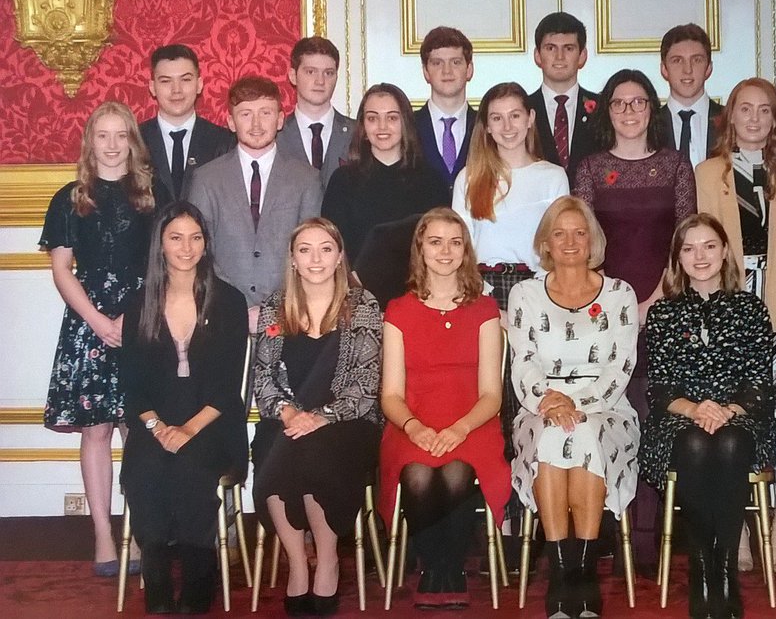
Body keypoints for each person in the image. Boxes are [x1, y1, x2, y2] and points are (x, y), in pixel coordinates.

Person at [574, 68, 696, 571]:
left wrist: (653, 301)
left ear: (652, 108)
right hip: (602, 311)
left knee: (654, 414)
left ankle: (649, 537)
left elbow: (686, 239)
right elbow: (581, 244)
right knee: (608, 413)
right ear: (607, 111)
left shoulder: (675, 165)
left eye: (638, 101)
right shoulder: (590, 168)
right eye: (619, 102)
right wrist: (620, 306)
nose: (629, 111)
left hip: (665, 305)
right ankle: (609, 528)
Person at [695, 76, 776, 571]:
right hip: (727, 302)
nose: (753, 118)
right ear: (730, 117)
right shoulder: (708, 173)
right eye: (744, 109)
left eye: (764, 110)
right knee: (733, 415)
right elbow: (698, 245)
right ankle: (740, 525)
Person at [39, 101, 167, 577]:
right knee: (95, 431)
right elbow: (61, 270)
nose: (112, 145)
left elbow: (165, 265)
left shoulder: (152, 196)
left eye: (121, 136)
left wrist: (132, 319)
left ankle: (138, 532)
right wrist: (96, 320)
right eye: (103, 136)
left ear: (133, 142)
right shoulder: (70, 198)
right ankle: (102, 535)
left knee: (138, 427)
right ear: (90, 143)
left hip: (142, 319)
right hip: (87, 321)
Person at [507, 196, 641, 618]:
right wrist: (549, 403)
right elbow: (523, 361)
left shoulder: (619, 294)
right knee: (554, 435)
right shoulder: (525, 294)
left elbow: (621, 365)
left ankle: (583, 574)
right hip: (540, 406)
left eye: (579, 233)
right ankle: (563, 574)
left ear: (593, 240)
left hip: (606, 406)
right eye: (559, 233)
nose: (569, 242)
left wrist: (578, 404)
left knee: (583, 432)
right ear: (545, 242)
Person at [642, 214, 775, 619]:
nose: (700, 256)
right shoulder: (663, 313)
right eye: (689, 248)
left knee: (730, 440)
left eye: (709, 246)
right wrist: (695, 409)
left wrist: (728, 410)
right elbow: (659, 389)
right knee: (696, 442)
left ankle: (726, 568)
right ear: (677, 258)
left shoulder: (751, 308)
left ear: (725, 251)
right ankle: (702, 567)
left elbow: (759, 383)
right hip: (678, 418)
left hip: (740, 415)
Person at [120, 202, 249, 614]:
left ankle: (198, 582)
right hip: (154, 423)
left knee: (191, 471)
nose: (187, 248)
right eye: (176, 238)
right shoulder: (139, 303)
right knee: (144, 472)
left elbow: (228, 388)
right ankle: (157, 584)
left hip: (212, 423)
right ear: (160, 244)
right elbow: (132, 387)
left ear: (205, 244)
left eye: (195, 238)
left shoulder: (228, 301)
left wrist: (189, 429)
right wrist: (157, 428)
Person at [378, 208, 509, 609]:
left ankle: (451, 569)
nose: (446, 251)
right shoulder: (398, 310)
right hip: (412, 422)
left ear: (466, 251)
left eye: (455, 243)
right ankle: (432, 567)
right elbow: (390, 395)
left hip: (473, 422)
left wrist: (459, 429)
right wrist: (414, 427)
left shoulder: (485, 309)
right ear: (420, 248)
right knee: (417, 476)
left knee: (455, 473)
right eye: (435, 242)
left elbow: (492, 394)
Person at [251, 218, 383, 616]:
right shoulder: (275, 307)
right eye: (305, 250)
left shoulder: (363, 305)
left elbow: (366, 384)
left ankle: (326, 561)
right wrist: (290, 412)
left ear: (340, 256)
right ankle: (297, 563)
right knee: (271, 452)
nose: (316, 259)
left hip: (348, 422)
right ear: (292, 258)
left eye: (326, 249)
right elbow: (264, 377)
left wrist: (321, 417)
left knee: (315, 455)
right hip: (287, 418)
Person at [184, 75, 323, 326]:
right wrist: (235, 305)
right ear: (231, 122)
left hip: (289, 312)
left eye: (266, 113)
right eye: (246, 114)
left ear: (280, 119)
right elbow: (200, 249)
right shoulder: (206, 179)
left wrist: (276, 307)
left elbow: (310, 250)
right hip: (221, 311)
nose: (256, 124)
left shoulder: (307, 179)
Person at [452, 81, 569, 314]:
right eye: (497, 118)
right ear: (487, 126)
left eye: (515, 115)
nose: (507, 126)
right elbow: (460, 245)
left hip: (539, 289)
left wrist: (541, 292)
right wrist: (483, 299)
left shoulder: (553, 176)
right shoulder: (469, 177)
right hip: (481, 291)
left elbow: (560, 244)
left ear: (530, 118)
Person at [321, 82, 449, 263]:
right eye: (372, 118)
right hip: (357, 280)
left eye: (392, 118)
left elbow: (442, 245)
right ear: (363, 126)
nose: (382, 127)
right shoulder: (342, 181)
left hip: (419, 280)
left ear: (405, 123)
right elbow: (332, 246)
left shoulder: (431, 181)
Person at [139, 44, 234, 199]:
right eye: (166, 81)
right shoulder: (135, 140)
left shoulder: (224, 142)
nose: (176, 90)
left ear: (199, 84)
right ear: (152, 87)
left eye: (185, 80)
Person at [527, 12, 600, 186]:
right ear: (538, 55)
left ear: (582, 56)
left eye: (568, 48)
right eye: (551, 48)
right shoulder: (522, 109)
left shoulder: (603, 109)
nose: (559, 57)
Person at [277, 36, 356, 188]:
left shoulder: (358, 133)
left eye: (328, 73)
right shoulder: (275, 136)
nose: (320, 81)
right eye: (311, 72)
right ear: (293, 76)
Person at [414, 26, 477, 185]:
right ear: (425, 72)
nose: (447, 71)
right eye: (437, 63)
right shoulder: (407, 127)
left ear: (469, 69)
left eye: (455, 62)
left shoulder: (486, 126)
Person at [656, 23, 724, 169]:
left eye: (696, 60)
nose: (688, 70)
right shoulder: (649, 125)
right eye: (677, 60)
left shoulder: (731, 121)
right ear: (664, 69)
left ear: (709, 68)